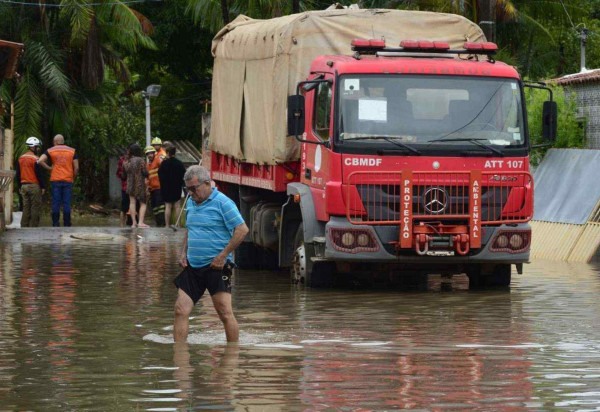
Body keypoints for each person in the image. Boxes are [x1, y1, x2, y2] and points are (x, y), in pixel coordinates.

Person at [173, 165, 249, 343]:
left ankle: (232, 355)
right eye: (187, 189)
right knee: (180, 309)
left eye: (193, 188)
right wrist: (183, 252)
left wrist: (223, 256)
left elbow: (242, 230)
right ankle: (179, 358)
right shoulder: (191, 202)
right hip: (193, 266)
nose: (190, 193)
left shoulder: (223, 203)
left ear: (207, 183)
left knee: (224, 313)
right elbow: (190, 229)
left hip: (217, 267)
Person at [38, 134, 78, 227]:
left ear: (55, 142)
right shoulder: (72, 151)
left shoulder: (51, 150)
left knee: (56, 202)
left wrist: (49, 168)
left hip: (55, 180)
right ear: (63, 141)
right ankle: (67, 224)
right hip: (68, 180)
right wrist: (73, 177)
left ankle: (55, 224)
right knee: (66, 203)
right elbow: (76, 168)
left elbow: (40, 161)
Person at [15, 137, 45, 227]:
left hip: (24, 186)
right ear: (33, 147)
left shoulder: (21, 158)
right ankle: (34, 228)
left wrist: (19, 187)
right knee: (35, 207)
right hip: (34, 186)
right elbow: (39, 174)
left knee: (26, 207)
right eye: (37, 147)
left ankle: (24, 227)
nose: (38, 149)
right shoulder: (35, 159)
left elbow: (18, 174)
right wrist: (43, 186)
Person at [158, 142, 186, 226]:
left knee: (168, 206)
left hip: (166, 187)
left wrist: (163, 183)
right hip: (177, 186)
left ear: (168, 153)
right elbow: (184, 175)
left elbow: (159, 174)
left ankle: (167, 225)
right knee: (177, 206)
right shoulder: (179, 163)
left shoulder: (164, 163)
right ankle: (178, 225)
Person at [123, 143, 149, 228]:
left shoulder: (127, 161)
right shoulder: (141, 160)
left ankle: (134, 223)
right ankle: (141, 222)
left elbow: (124, 174)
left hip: (130, 184)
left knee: (132, 202)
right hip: (140, 184)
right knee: (143, 203)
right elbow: (145, 172)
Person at [145, 145, 165, 227]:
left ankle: (162, 223)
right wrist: (148, 187)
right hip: (152, 189)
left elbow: (163, 165)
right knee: (155, 207)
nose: (149, 155)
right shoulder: (148, 165)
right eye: (148, 154)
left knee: (160, 206)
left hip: (159, 188)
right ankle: (158, 223)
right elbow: (148, 178)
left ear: (154, 153)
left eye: (151, 153)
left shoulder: (157, 160)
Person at [116, 148, 131, 227]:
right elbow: (118, 173)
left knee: (130, 206)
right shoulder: (122, 161)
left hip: (130, 187)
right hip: (125, 187)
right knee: (124, 208)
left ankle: (129, 223)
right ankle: (122, 225)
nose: (127, 156)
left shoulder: (132, 161)